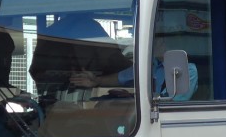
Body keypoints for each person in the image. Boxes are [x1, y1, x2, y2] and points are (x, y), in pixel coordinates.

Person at [69, 31, 198, 101]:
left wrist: (131, 97)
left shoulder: (188, 69)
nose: (153, 44)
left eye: (157, 39)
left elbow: (171, 103)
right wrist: (95, 80)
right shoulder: (151, 64)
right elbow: (122, 77)